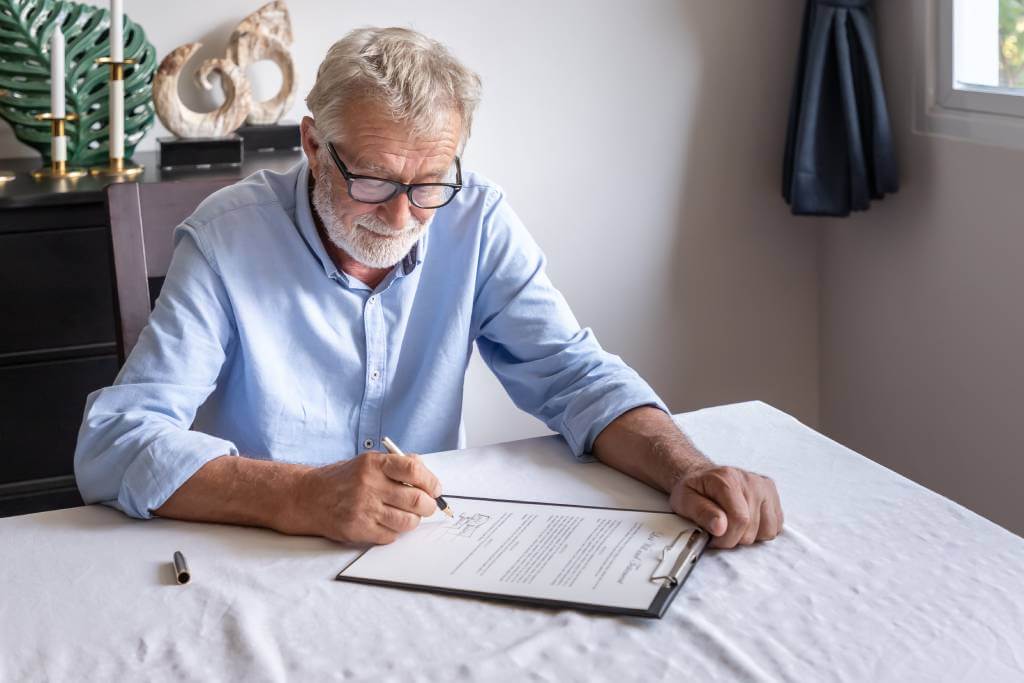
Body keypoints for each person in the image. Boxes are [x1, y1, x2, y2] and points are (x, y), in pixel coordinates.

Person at [75, 27, 782, 550]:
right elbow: (113, 442)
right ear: (314, 146)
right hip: (254, 550)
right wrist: (299, 493)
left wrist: (687, 469)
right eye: (375, 179)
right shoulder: (227, 237)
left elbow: (576, 377)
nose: (403, 215)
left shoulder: (476, 218)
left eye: (430, 183)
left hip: (424, 553)